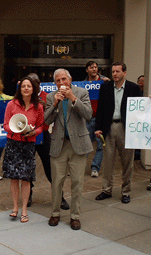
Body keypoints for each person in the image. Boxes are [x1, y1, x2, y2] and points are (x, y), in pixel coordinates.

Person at [45, 69, 93, 230]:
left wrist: (73, 98)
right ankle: (55, 213)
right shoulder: (51, 97)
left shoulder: (82, 92)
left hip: (78, 145)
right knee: (57, 182)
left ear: (70, 79)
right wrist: (55, 104)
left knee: (77, 182)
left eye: (64, 79)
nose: (61, 83)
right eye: (58, 81)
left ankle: (75, 216)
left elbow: (88, 114)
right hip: (59, 144)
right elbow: (46, 119)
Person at [95, 62, 141, 204]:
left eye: (117, 71)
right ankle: (106, 190)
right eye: (113, 71)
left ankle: (126, 192)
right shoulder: (106, 87)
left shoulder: (134, 88)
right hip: (109, 128)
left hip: (126, 128)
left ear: (124, 73)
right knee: (108, 161)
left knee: (127, 162)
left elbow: (140, 108)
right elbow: (100, 109)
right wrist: (98, 127)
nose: (114, 74)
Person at [3, 76, 44, 223]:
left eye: (29, 86)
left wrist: (34, 132)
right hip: (14, 143)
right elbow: (6, 124)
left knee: (26, 178)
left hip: (28, 144)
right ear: (20, 89)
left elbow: (41, 126)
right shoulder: (11, 105)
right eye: (23, 86)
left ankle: (24, 209)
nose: (26, 88)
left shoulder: (38, 107)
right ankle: (15, 208)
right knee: (14, 177)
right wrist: (15, 130)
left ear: (33, 89)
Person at [26, 73, 70, 210]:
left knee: (51, 167)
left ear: (39, 83)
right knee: (27, 167)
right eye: (30, 83)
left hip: (43, 135)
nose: (33, 85)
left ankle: (60, 197)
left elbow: (54, 114)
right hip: (28, 137)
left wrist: (46, 107)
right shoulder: (24, 96)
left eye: (35, 83)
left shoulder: (48, 96)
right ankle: (28, 195)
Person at [84, 61, 110, 178]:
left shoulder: (104, 82)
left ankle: (95, 168)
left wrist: (108, 84)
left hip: (100, 119)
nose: (94, 69)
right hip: (87, 119)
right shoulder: (83, 84)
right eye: (91, 67)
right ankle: (79, 167)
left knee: (100, 145)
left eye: (96, 67)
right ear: (87, 70)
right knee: (85, 145)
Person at [134, 74, 145, 161]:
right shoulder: (135, 92)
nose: (141, 82)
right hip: (136, 118)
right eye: (139, 81)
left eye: (143, 80)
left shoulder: (146, 93)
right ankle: (136, 154)